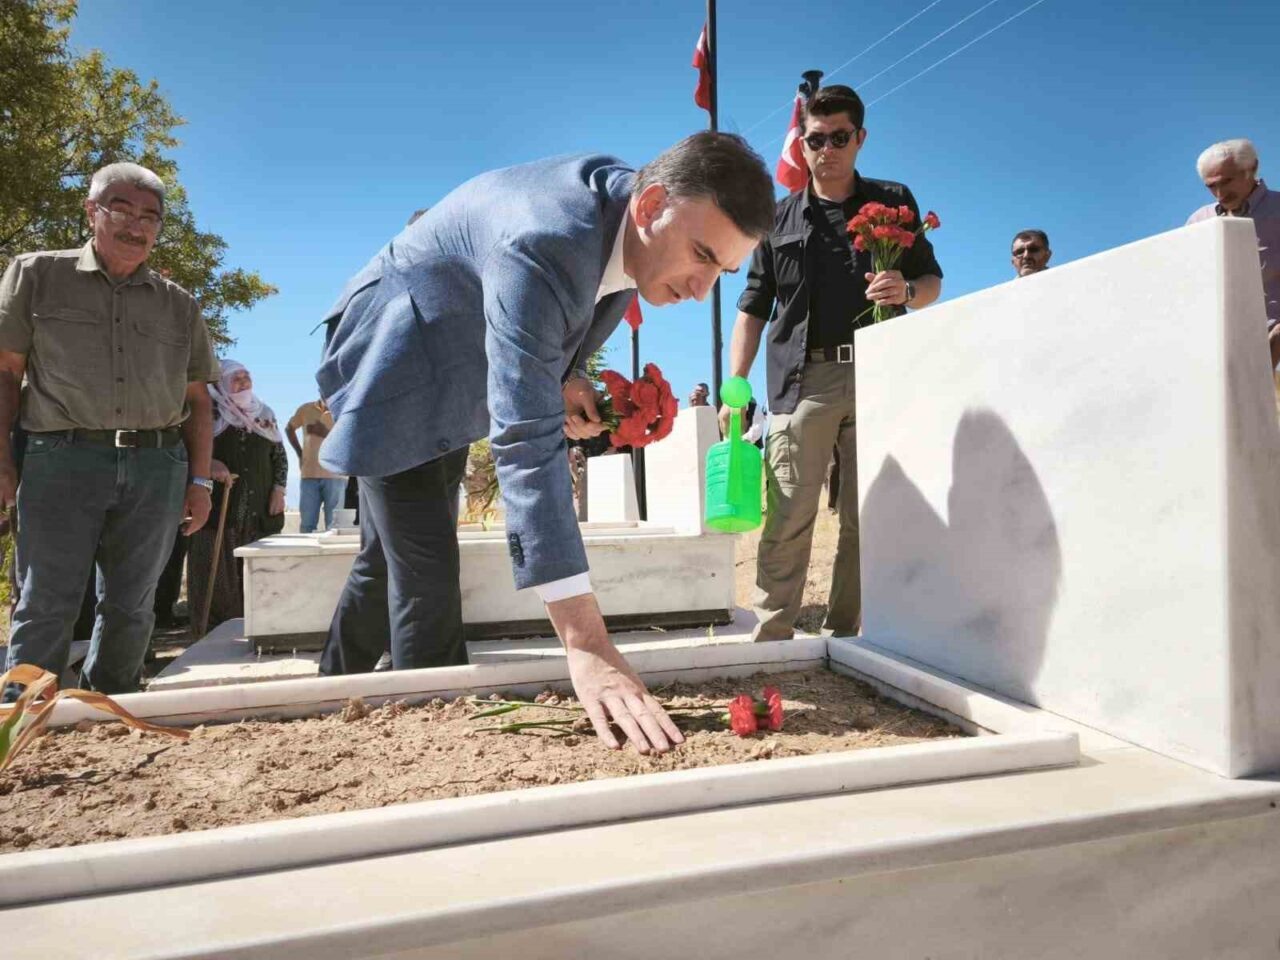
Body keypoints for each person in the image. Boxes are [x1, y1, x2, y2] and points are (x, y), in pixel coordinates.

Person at [317, 131, 775, 753]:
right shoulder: (544, 238)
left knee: (389, 556)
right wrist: (587, 644)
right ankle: (444, 749)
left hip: (459, 370)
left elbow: (548, 334)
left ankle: (322, 702)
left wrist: (567, 380)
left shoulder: (624, 229)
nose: (701, 290)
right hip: (398, 360)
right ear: (651, 206)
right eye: (700, 255)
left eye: (721, 271)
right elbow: (524, 441)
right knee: (424, 570)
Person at [724, 84, 943, 642]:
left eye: (839, 137)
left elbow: (931, 281)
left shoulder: (894, 203)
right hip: (805, 382)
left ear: (859, 138)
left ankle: (847, 639)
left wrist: (907, 291)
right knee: (789, 512)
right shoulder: (776, 220)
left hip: (881, 377)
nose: (828, 149)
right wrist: (735, 385)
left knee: (865, 518)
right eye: (815, 139)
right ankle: (772, 636)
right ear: (801, 144)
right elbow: (753, 306)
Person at [0, 162, 217, 694]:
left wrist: (201, 480)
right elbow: (6, 373)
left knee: (133, 604)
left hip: (156, 466)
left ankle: (109, 711)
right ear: (92, 211)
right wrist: (2, 460)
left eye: (150, 217)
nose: (135, 225)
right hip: (61, 458)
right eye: (121, 209)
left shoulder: (180, 305)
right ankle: (23, 720)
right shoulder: (36, 274)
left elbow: (198, 402)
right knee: (47, 599)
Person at [186, 360, 287, 632]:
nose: (244, 381)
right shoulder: (209, 413)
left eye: (247, 376)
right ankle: (211, 634)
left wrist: (279, 489)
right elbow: (189, 447)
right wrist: (211, 464)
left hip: (258, 510)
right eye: (236, 377)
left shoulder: (264, 413)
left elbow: (279, 455)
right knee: (215, 574)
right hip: (219, 508)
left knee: (255, 577)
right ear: (221, 382)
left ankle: (254, 631)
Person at [1187, 139, 1280, 366]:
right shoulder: (1198, 222)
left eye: (1226, 181)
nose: (1219, 193)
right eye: (1211, 186)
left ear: (1252, 168)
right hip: (1223, 356)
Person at [286, 397, 345, 532]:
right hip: (309, 474)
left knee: (334, 527)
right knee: (307, 525)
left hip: (336, 475)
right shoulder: (305, 409)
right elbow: (289, 428)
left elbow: (351, 436)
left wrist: (324, 432)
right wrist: (299, 453)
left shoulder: (343, 409)